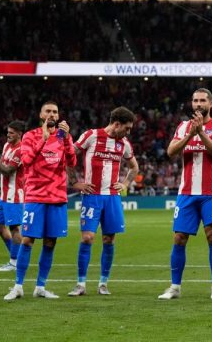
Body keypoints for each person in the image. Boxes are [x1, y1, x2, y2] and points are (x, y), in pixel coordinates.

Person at [158, 88, 212, 301]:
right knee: (179, 238)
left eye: (202, 101)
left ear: (210, 104)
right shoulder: (183, 127)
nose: (198, 104)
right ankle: (175, 287)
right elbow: (170, 152)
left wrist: (201, 134)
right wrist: (191, 133)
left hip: (210, 192)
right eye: (195, 100)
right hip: (186, 192)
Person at [4, 101, 76, 301]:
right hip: (35, 195)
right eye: (48, 111)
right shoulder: (30, 136)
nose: (52, 114)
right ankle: (18, 286)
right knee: (27, 240)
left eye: (55, 111)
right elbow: (26, 161)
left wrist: (69, 139)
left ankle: (40, 287)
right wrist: (42, 139)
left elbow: (72, 161)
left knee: (51, 242)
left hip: (57, 196)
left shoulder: (63, 137)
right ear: (41, 115)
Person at [67, 107, 139, 297]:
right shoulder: (91, 135)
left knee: (109, 239)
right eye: (127, 128)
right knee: (87, 237)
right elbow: (69, 156)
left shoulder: (124, 144)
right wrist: (74, 182)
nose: (128, 132)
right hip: (92, 196)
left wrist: (124, 184)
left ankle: (103, 283)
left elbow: (134, 167)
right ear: (116, 124)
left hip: (112, 198)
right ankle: (81, 283)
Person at [0, 120, 27, 271]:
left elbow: (7, 171)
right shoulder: (7, 146)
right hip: (4, 195)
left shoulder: (21, 150)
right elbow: (1, 165)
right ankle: (17, 258)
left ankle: (14, 263)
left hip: (14, 196)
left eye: (12, 133)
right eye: (7, 132)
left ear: (20, 134)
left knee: (15, 228)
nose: (8, 135)